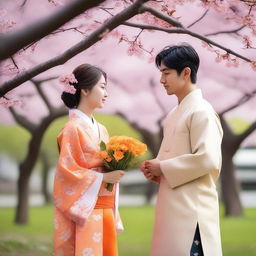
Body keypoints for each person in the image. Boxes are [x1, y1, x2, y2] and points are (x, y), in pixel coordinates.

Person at [141, 44, 223, 256]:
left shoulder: (201, 111)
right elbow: (169, 156)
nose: (161, 80)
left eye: (166, 73)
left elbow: (208, 159)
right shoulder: (174, 114)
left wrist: (163, 167)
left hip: (192, 210)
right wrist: (155, 168)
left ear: (186, 72)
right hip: (172, 204)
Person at [54, 64, 125, 256]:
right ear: (84, 90)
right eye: (102, 87)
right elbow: (66, 171)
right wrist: (103, 178)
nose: (106, 93)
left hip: (105, 207)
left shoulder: (102, 129)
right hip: (84, 212)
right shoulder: (72, 128)